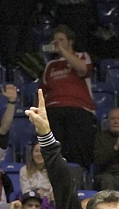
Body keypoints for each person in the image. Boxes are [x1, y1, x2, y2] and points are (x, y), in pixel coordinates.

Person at [41, 25, 97, 169]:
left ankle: (79, 176)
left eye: (61, 40)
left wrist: (63, 51)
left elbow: (83, 69)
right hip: (54, 109)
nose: (57, 43)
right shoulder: (50, 65)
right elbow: (43, 91)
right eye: (55, 40)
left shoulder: (82, 56)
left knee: (78, 150)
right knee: (55, 153)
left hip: (78, 108)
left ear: (70, 42)